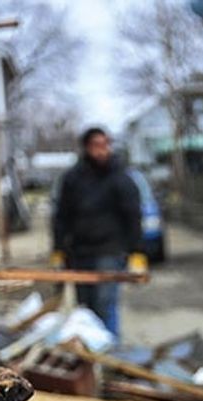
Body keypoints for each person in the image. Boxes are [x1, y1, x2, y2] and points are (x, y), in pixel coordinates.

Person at [51, 127, 144, 338]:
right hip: (79, 251)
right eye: (96, 146)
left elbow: (133, 216)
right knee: (85, 306)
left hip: (110, 251)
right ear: (86, 148)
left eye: (105, 145)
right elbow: (61, 216)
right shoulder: (73, 179)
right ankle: (91, 352)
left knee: (105, 302)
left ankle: (110, 348)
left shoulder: (120, 178)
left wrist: (137, 251)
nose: (102, 151)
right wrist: (58, 249)